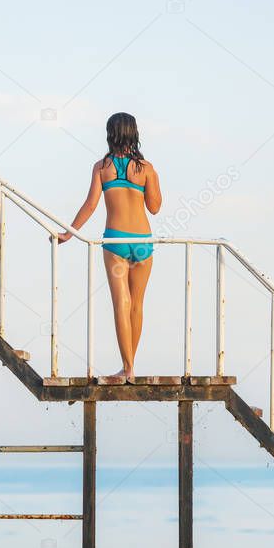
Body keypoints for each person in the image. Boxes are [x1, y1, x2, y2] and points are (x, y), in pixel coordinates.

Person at [59, 113, 163, 381]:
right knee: (137, 304)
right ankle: (130, 365)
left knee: (121, 303)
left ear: (110, 133)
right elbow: (155, 207)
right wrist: (148, 179)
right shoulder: (147, 168)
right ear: (134, 133)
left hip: (115, 240)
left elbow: (91, 205)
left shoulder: (101, 167)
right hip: (142, 242)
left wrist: (69, 233)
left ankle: (127, 368)